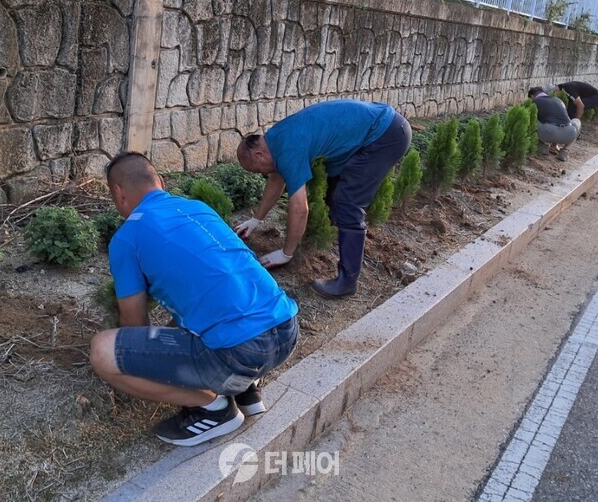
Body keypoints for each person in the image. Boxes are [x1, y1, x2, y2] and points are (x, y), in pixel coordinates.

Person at [89, 152, 299, 447]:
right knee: (207, 303)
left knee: (103, 351)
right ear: (160, 183)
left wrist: (143, 359)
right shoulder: (198, 209)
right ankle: (246, 389)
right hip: (287, 330)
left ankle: (214, 409)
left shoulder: (127, 237)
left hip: (239, 353)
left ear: (119, 195)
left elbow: (134, 323)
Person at [235, 99, 412, 298]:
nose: (261, 173)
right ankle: (339, 238)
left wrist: (286, 253)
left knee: (347, 204)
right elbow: (276, 180)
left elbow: (300, 209)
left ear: (259, 154)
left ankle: (347, 282)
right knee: (333, 195)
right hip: (381, 127)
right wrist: (255, 220)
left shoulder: (288, 149)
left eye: (257, 170)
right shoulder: (276, 138)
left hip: (384, 135)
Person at [528, 87, 583, 162]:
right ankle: (565, 150)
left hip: (548, 133)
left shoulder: (535, 102)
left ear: (532, 96)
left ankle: (543, 146)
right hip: (568, 135)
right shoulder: (558, 100)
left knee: (532, 119)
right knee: (576, 121)